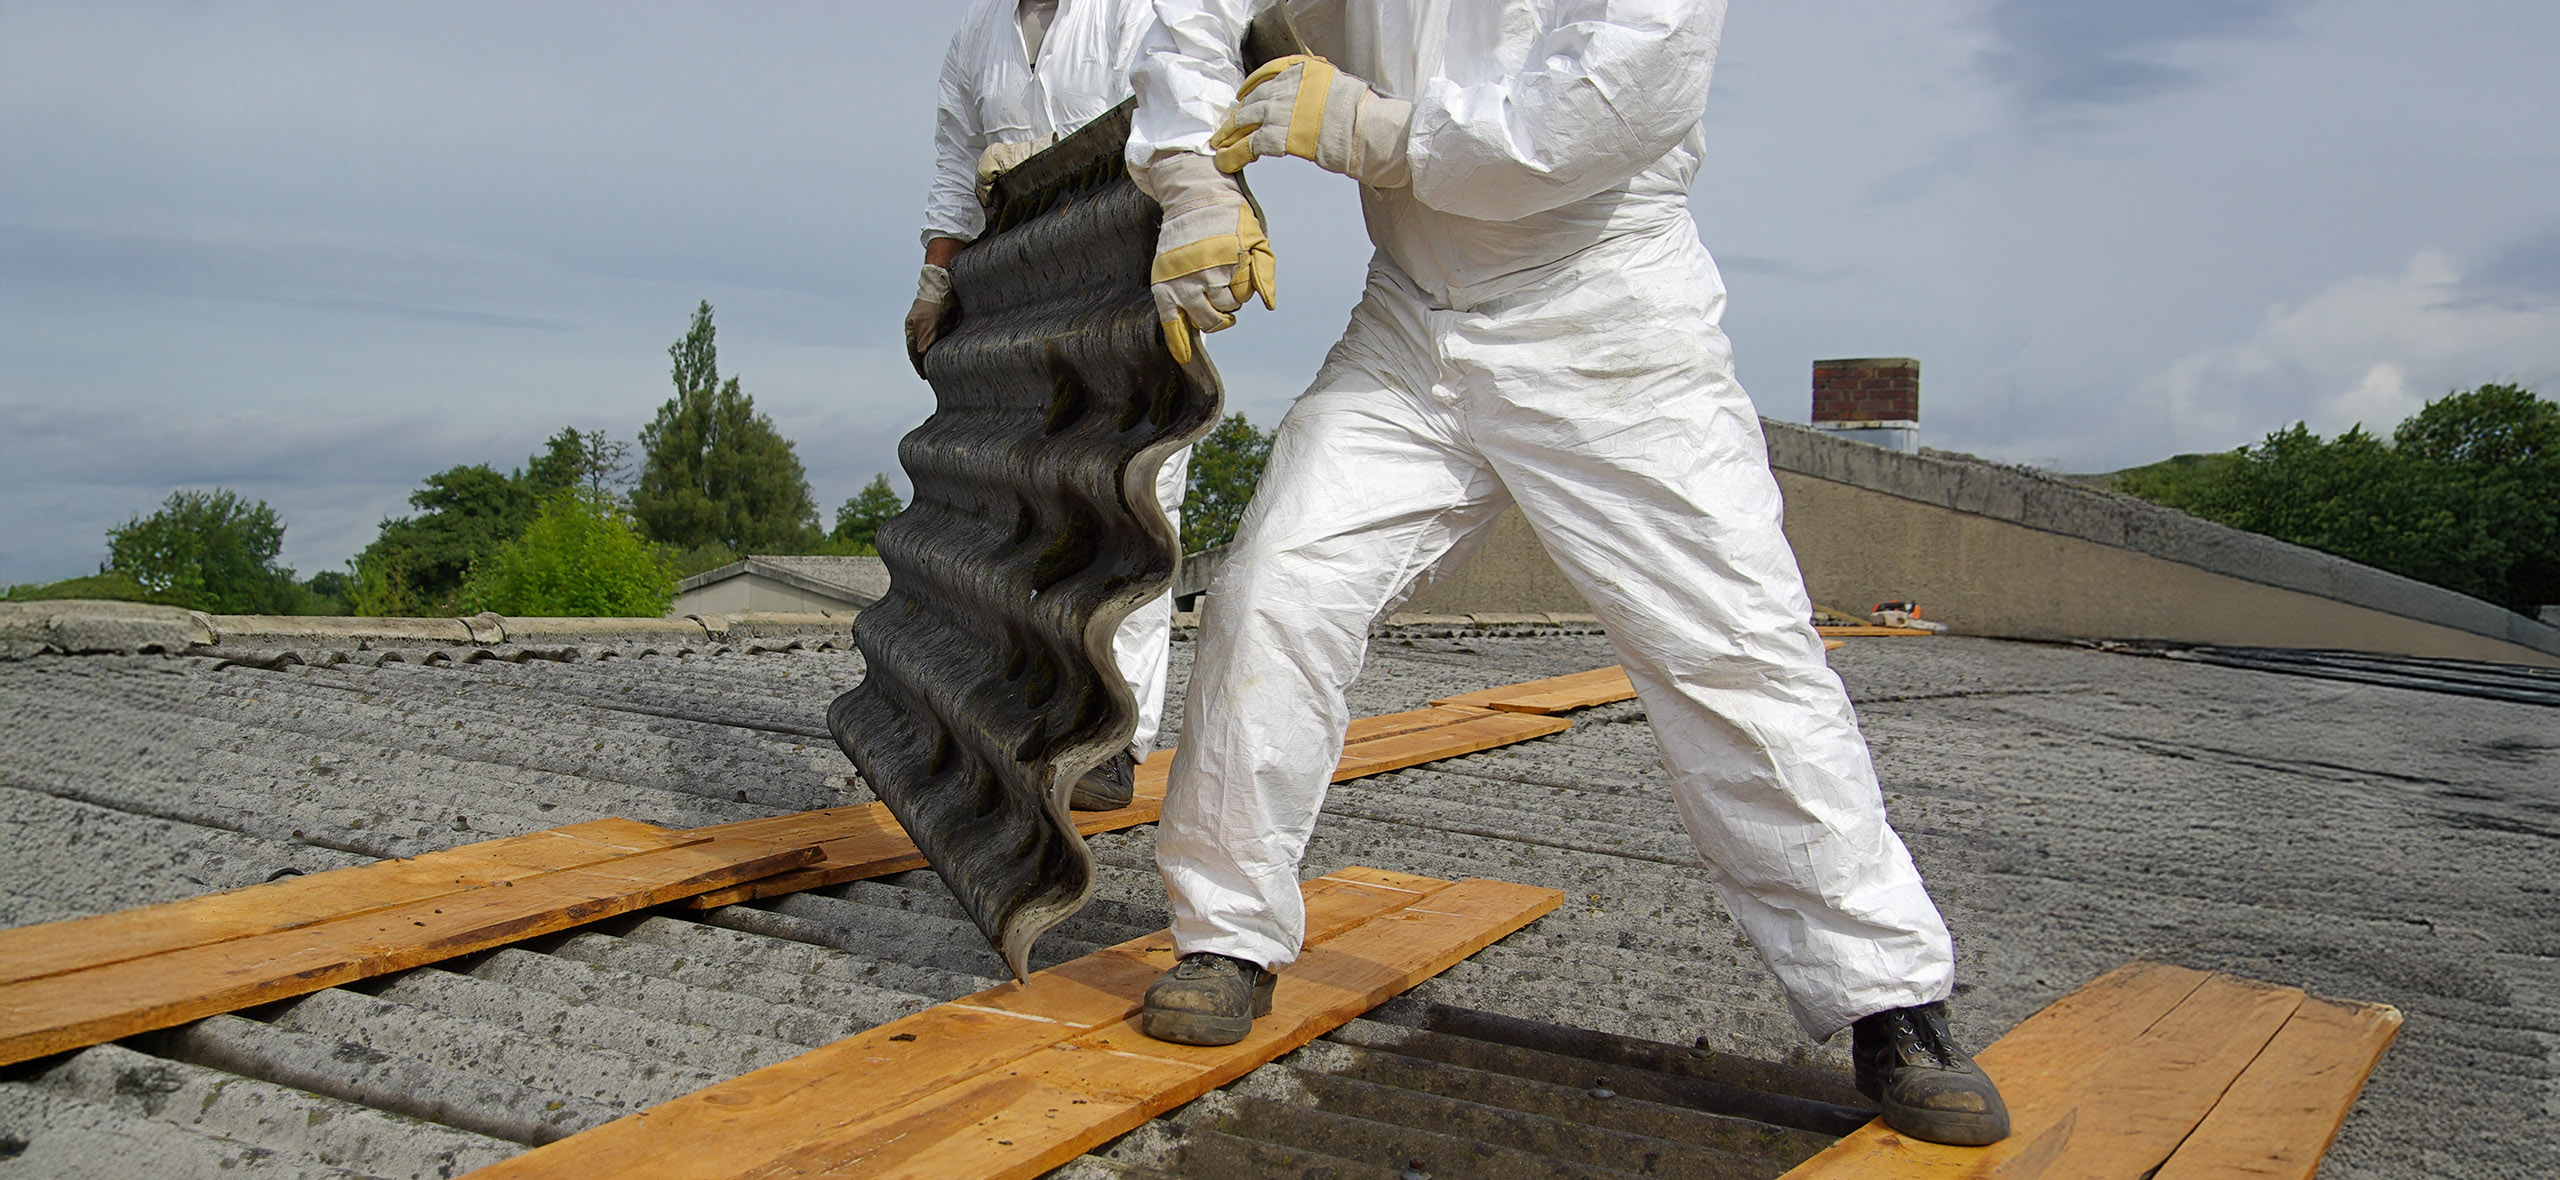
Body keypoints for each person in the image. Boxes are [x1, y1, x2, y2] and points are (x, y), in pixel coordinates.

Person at [1120, 0, 2010, 1147]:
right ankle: (1226, 935)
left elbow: (1587, 117)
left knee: (1732, 651)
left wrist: (1368, 133)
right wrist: (1195, 178)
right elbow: (1192, 13)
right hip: (1410, 322)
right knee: (1273, 592)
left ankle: (1888, 999)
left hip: (1606, 316)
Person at [909, 0, 1269, 808]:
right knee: (1026, 499)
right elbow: (954, 162)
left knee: (1133, 496)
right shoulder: (979, 36)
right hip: (1024, 283)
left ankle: (1115, 738)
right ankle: (1029, 708)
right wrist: (939, 276)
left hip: (1130, 267)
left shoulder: (1132, 10)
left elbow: (1184, 102)